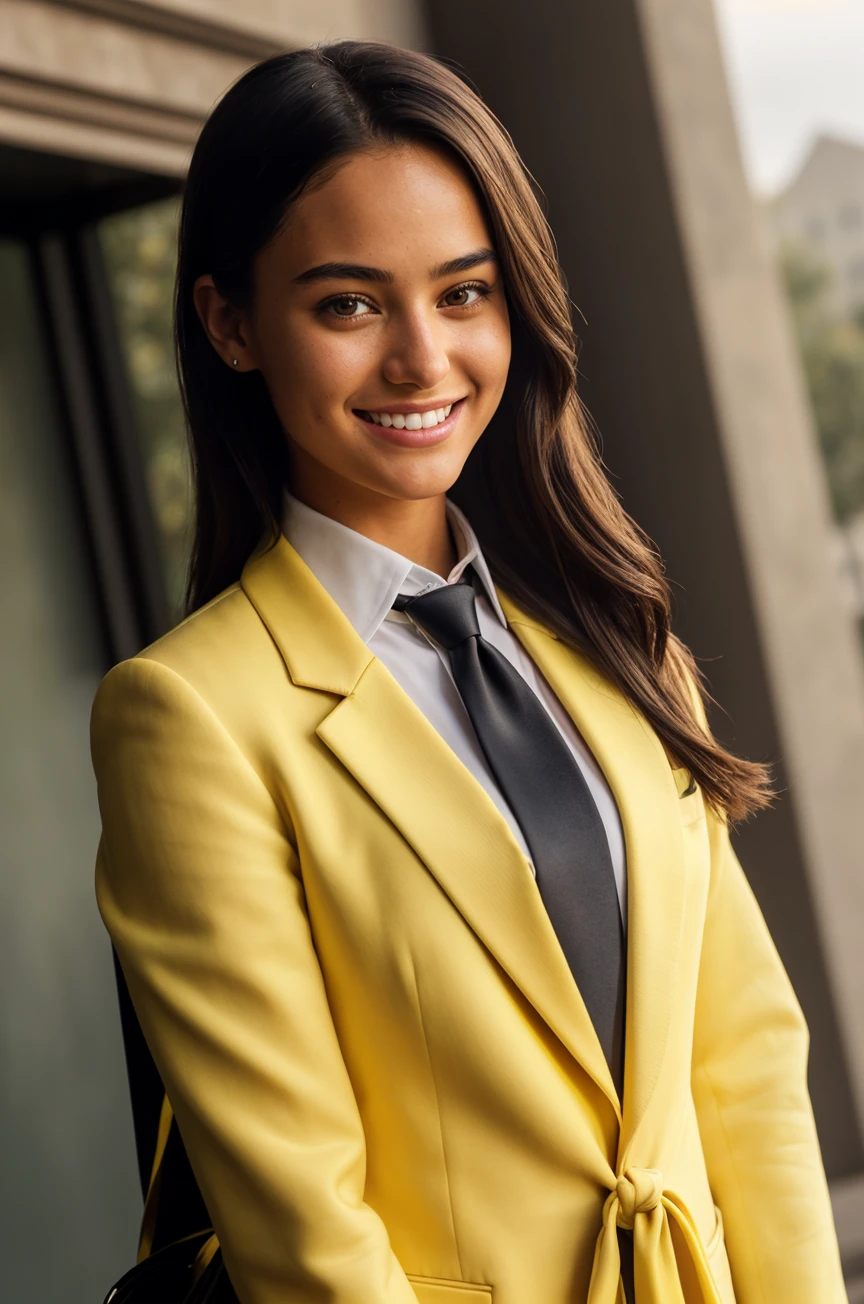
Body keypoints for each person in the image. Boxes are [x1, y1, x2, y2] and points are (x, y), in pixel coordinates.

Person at [90, 40, 846, 1304]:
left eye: (463, 292)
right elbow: (305, 1228)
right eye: (348, 304)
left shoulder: (620, 638)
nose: (422, 359)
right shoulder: (189, 718)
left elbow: (748, 1068)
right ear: (231, 324)